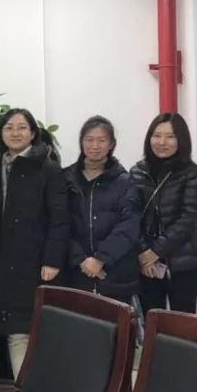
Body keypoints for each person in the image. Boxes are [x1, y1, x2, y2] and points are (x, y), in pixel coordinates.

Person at [0, 108, 67, 382]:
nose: (15, 133)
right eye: (9, 127)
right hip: (2, 261)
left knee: (32, 328)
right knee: (14, 329)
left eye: (22, 127)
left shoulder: (47, 167)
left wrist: (52, 260)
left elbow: (59, 218)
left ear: (33, 133)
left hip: (35, 260)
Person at [130, 113, 197, 314]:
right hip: (146, 263)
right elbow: (130, 216)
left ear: (181, 140)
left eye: (170, 136)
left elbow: (190, 217)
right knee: (152, 322)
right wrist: (143, 251)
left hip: (183, 262)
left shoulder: (191, 173)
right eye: (157, 135)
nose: (162, 142)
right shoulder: (137, 172)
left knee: (183, 325)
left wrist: (156, 251)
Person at [65, 116, 142, 305]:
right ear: (81, 142)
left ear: (111, 144)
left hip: (116, 274)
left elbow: (129, 225)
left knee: (117, 323)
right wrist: (81, 260)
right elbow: (59, 224)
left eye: (101, 140)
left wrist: (100, 259)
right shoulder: (65, 178)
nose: (95, 146)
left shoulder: (125, 181)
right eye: (89, 140)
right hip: (76, 273)